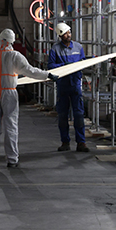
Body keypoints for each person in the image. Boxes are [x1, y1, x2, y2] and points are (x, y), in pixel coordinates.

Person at [0, 28, 58, 168]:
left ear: (0, 40)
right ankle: (12, 159)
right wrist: (47, 75)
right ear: (11, 41)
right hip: (9, 92)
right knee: (11, 124)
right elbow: (30, 71)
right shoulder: (15, 56)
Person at [48, 22, 89, 152]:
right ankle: (65, 142)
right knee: (62, 115)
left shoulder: (78, 47)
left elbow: (82, 62)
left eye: (69, 32)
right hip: (63, 86)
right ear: (60, 35)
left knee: (78, 114)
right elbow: (50, 66)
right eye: (66, 33)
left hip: (76, 85)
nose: (68, 35)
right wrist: (64, 66)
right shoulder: (55, 49)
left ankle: (81, 142)